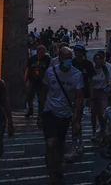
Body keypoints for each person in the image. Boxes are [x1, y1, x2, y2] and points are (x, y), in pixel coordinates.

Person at [38, 47, 84, 185]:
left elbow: (79, 98)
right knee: (51, 143)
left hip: (65, 115)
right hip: (50, 112)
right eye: (66, 58)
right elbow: (43, 93)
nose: (69, 61)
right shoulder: (50, 72)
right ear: (59, 59)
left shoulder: (77, 74)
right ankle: (52, 175)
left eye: (70, 58)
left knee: (59, 145)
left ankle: (56, 168)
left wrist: (76, 119)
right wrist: (40, 114)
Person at [66, 43, 95, 161]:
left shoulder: (87, 64)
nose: (76, 52)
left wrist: (91, 97)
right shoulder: (71, 63)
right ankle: (80, 143)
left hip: (83, 95)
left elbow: (91, 82)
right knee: (76, 120)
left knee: (76, 119)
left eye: (78, 50)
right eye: (75, 50)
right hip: (72, 95)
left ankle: (74, 146)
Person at [90, 52, 111, 140]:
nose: (97, 60)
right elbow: (90, 83)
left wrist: (108, 89)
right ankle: (93, 130)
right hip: (94, 92)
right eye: (96, 59)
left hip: (103, 92)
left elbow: (109, 81)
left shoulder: (105, 69)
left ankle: (103, 130)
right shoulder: (92, 69)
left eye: (99, 59)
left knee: (102, 113)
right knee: (93, 112)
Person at [24, 45, 51, 118]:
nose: (42, 54)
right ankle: (30, 109)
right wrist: (25, 77)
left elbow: (50, 69)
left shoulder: (47, 59)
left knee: (41, 99)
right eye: (41, 52)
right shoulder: (32, 59)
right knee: (29, 96)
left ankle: (40, 113)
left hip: (42, 82)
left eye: (43, 52)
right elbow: (28, 68)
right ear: (37, 52)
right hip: (32, 80)